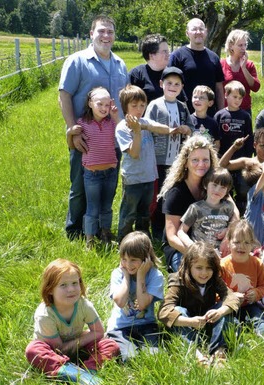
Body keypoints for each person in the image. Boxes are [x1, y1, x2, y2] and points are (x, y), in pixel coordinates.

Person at [59, 14, 127, 240]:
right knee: (80, 186)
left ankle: (99, 229)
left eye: (110, 32)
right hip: (85, 138)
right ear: (91, 34)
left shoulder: (120, 64)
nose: (106, 36)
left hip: (112, 139)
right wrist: (72, 130)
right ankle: (75, 230)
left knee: (108, 186)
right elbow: (64, 95)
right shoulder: (77, 61)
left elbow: (122, 99)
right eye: (101, 31)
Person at [25, 259, 119, 385]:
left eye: (75, 283)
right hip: (52, 349)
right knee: (33, 350)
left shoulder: (84, 305)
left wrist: (78, 342)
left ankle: (90, 372)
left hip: (76, 341)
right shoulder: (45, 314)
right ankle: (72, 373)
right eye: (63, 285)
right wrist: (78, 343)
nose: (71, 289)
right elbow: (59, 349)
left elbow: (98, 332)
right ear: (50, 289)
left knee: (110, 345)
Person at [158, 242, 240, 364]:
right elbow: (163, 311)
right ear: (189, 266)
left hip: (208, 321)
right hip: (187, 324)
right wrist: (190, 322)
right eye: (199, 268)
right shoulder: (178, 281)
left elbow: (231, 297)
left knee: (225, 309)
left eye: (208, 268)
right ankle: (196, 353)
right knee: (179, 310)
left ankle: (218, 352)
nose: (204, 273)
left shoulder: (214, 280)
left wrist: (220, 311)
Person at [115, 84, 176, 242]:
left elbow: (161, 128)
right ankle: (124, 241)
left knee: (144, 213)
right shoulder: (123, 128)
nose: (139, 109)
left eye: (142, 105)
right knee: (129, 213)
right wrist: (137, 131)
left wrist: (173, 130)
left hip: (149, 177)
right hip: (133, 178)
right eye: (134, 106)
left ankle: (142, 240)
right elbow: (134, 154)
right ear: (125, 107)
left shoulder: (144, 121)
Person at [220, 220, 264, 346]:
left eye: (246, 242)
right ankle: (239, 343)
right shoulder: (223, 265)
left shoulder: (257, 263)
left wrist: (256, 293)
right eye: (237, 242)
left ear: (253, 244)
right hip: (227, 308)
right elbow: (216, 290)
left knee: (259, 320)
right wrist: (230, 297)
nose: (241, 246)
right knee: (229, 323)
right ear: (228, 242)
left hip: (249, 305)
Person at [144, 66, 194, 240]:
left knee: (171, 195)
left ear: (181, 87)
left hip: (177, 161)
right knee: (157, 195)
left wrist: (186, 129)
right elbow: (147, 127)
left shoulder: (182, 107)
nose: (173, 87)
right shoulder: (155, 105)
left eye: (177, 84)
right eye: (169, 83)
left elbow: (191, 127)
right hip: (158, 159)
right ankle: (156, 227)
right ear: (161, 84)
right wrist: (165, 131)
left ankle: (171, 227)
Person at [158, 135, 219, 272]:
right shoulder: (175, 193)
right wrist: (199, 255)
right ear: (185, 162)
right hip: (181, 248)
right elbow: (172, 237)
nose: (201, 164)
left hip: (210, 244)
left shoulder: (213, 184)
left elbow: (233, 208)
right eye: (195, 160)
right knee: (196, 276)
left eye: (205, 160)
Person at [106, 232, 164, 362]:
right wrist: (126, 277)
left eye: (133, 260)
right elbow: (120, 302)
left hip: (147, 324)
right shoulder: (118, 274)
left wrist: (140, 276)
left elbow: (142, 304)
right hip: (121, 327)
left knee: (153, 357)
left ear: (146, 258)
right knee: (128, 358)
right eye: (124, 259)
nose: (128, 264)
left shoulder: (155, 275)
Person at [74, 86, 120, 247]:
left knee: (107, 206)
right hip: (92, 174)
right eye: (100, 104)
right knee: (92, 208)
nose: (104, 108)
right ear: (90, 103)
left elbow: (123, 132)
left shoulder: (112, 123)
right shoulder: (82, 123)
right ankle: (90, 239)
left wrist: (116, 117)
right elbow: (72, 139)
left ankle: (106, 233)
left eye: (107, 105)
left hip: (111, 172)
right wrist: (71, 133)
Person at [168, 17, 224, 115]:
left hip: (209, 116)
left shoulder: (214, 58)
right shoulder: (177, 56)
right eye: (194, 29)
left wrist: (220, 113)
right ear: (187, 33)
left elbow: (219, 89)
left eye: (201, 29)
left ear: (206, 32)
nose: (198, 32)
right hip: (183, 113)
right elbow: (169, 86)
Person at [214, 80, 254, 214]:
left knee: (243, 188)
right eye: (234, 96)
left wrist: (248, 158)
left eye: (240, 98)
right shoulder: (220, 115)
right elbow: (216, 138)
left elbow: (250, 138)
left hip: (241, 161)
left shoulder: (245, 116)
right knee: (225, 187)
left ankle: (242, 211)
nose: (238, 100)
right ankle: (225, 211)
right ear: (226, 95)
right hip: (224, 161)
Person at [220, 127, 264, 200]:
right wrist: (234, 147)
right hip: (250, 206)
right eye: (263, 146)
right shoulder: (247, 162)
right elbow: (222, 165)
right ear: (255, 145)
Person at [177, 167, 238, 252]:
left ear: (227, 190)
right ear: (206, 185)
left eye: (223, 187)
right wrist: (192, 246)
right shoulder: (196, 208)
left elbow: (236, 226)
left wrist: (228, 230)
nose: (218, 190)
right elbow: (181, 231)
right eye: (214, 185)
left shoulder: (229, 207)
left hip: (222, 253)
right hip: (201, 254)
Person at [221, 29, 260, 115]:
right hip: (225, 111)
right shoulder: (221, 64)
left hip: (244, 111)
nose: (243, 48)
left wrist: (244, 68)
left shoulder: (249, 65)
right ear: (231, 46)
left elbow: (256, 87)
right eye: (240, 45)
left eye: (245, 45)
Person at [128, 34, 170, 103]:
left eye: (168, 51)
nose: (168, 54)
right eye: (164, 51)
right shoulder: (136, 74)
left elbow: (182, 103)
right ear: (152, 55)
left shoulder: (172, 73)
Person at [190, 85, 221, 150]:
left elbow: (217, 143)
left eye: (201, 98)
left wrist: (213, 157)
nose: (197, 100)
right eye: (195, 97)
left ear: (210, 103)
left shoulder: (213, 123)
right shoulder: (188, 120)